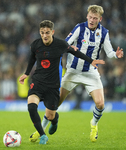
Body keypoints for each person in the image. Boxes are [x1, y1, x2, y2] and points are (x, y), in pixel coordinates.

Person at [29, 5, 124, 143]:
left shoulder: (104, 33)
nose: (92, 20)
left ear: (100, 19)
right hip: (73, 72)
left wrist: (115, 54)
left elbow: (109, 52)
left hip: (91, 72)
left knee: (100, 104)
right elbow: (65, 44)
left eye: (95, 18)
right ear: (87, 16)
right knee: (55, 104)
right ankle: (40, 130)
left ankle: (94, 124)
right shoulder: (79, 28)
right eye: (90, 17)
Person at [19, 20, 105, 145]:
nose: (45, 35)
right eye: (42, 33)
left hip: (53, 86)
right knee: (31, 107)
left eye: (47, 33)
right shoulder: (35, 45)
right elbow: (32, 58)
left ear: (52, 32)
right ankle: (43, 135)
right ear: (40, 32)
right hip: (37, 82)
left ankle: (55, 120)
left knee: (51, 116)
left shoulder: (60, 44)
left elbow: (75, 52)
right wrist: (26, 73)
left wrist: (90, 60)